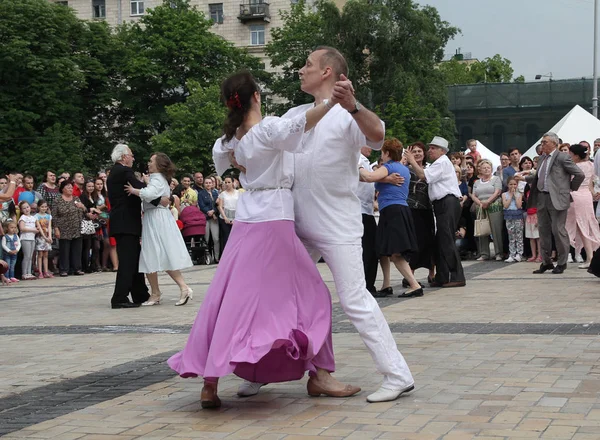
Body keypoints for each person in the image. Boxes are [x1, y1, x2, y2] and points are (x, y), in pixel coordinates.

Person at [169, 70, 358, 408]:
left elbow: (234, 162)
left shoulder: (230, 139)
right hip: (273, 219)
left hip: (246, 219)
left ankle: (210, 382)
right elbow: (300, 125)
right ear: (255, 95)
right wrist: (333, 100)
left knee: (229, 299)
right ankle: (321, 375)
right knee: (312, 295)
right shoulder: (267, 129)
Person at [281, 47, 414, 403]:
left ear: (326, 72)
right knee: (278, 296)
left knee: (355, 299)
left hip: (336, 224)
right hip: (295, 224)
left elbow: (377, 135)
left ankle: (397, 374)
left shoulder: (348, 115)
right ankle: (261, 370)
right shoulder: (295, 113)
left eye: (307, 65)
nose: (300, 70)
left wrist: (353, 104)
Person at [124, 153, 193, 306]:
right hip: (155, 217)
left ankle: (181, 287)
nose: (148, 163)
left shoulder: (157, 178)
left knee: (156, 253)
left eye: (151, 161)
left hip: (156, 219)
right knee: (151, 255)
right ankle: (156, 292)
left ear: (159, 164)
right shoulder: (158, 179)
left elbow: (150, 194)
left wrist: (134, 190)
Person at [359, 139, 422, 297]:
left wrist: (357, 165)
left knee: (395, 253)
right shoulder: (402, 168)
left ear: (387, 153)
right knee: (383, 249)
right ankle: (386, 284)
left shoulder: (389, 167)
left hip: (393, 211)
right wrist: (386, 179)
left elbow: (368, 177)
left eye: (382, 152)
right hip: (397, 210)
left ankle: (414, 284)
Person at [519, 132, 585, 274]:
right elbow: (539, 177)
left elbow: (579, 174)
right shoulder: (542, 158)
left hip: (557, 198)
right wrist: (525, 179)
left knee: (558, 230)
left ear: (554, 143)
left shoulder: (562, 157)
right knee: (543, 231)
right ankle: (546, 261)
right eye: (542, 142)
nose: (542, 144)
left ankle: (561, 262)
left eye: (545, 142)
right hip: (542, 197)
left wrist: (570, 188)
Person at [405, 136, 465, 287]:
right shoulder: (438, 163)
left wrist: (411, 160)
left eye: (433, 148)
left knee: (447, 240)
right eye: (430, 147)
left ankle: (456, 276)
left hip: (447, 202)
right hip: (442, 204)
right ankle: (443, 276)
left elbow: (423, 176)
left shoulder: (442, 162)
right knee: (441, 241)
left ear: (442, 151)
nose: (429, 150)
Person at [107, 144, 160, 309]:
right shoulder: (123, 171)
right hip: (126, 223)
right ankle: (119, 298)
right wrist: (158, 196)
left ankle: (140, 293)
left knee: (135, 260)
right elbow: (140, 188)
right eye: (131, 155)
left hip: (123, 222)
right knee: (128, 262)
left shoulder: (114, 173)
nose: (133, 158)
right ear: (123, 157)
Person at [565, 144, 600, 269]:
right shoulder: (591, 165)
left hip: (576, 195)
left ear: (575, 155)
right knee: (586, 226)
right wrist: (594, 192)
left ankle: (589, 257)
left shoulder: (574, 167)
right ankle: (589, 257)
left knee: (580, 226)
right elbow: (592, 182)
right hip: (587, 196)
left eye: (570, 154)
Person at [471, 159, 504, 261]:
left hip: (494, 206)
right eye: (484, 168)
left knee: (496, 229)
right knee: (482, 229)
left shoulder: (496, 179)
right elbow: (473, 195)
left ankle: (499, 253)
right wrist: (480, 203)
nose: (486, 169)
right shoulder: (476, 182)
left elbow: (497, 192)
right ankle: (484, 253)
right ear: (480, 170)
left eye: (488, 167)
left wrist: (488, 202)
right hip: (480, 206)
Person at [356, 146, 378, 295]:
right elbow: (365, 177)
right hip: (359, 211)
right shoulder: (356, 158)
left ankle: (369, 284)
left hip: (367, 209)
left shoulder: (365, 161)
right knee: (366, 250)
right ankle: (365, 285)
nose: (371, 148)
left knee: (371, 250)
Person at [53, 180, 86, 277]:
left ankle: (77, 268)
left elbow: (84, 210)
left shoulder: (76, 198)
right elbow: (54, 215)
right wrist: (56, 228)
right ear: (62, 189)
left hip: (76, 227)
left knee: (77, 249)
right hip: (63, 228)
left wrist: (82, 206)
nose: (70, 189)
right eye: (68, 187)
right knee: (65, 250)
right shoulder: (57, 200)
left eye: (71, 187)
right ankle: (64, 269)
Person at [198, 177, 220, 263]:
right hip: (206, 218)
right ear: (204, 184)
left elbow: (218, 204)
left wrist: (214, 211)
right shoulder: (201, 194)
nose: (208, 184)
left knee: (216, 238)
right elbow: (201, 205)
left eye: (210, 183)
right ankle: (207, 257)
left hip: (214, 218)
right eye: (206, 183)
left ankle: (217, 257)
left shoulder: (216, 193)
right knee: (206, 238)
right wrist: (208, 212)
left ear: (212, 184)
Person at [502, 177, 525, 262]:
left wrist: (515, 195)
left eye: (514, 184)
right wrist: (510, 195)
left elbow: (519, 206)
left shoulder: (519, 194)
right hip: (509, 215)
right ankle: (511, 254)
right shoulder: (504, 194)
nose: (513, 186)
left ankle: (519, 254)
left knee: (519, 236)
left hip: (517, 215)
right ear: (508, 185)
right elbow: (505, 205)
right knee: (511, 236)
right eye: (511, 184)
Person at [80, 180, 100, 273]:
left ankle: (93, 265)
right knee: (87, 246)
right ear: (85, 187)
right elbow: (82, 209)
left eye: (92, 186)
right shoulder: (82, 196)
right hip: (86, 222)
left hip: (94, 223)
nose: (91, 188)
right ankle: (85, 266)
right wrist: (89, 210)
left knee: (96, 246)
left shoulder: (94, 196)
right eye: (89, 186)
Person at [216, 176, 239, 252]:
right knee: (226, 237)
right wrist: (225, 217)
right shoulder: (223, 194)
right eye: (225, 182)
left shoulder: (238, 193)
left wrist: (236, 218)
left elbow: (241, 206)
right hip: (225, 216)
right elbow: (220, 206)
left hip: (236, 216)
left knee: (237, 237)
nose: (227, 184)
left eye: (229, 182)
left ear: (232, 183)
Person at [18, 201, 39, 280]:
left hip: (32, 238)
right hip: (25, 238)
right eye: (24, 208)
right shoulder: (23, 217)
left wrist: (37, 230)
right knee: (26, 256)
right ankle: (24, 273)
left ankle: (29, 272)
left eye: (27, 207)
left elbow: (37, 227)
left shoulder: (33, 218)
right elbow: (22, 228)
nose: (26, 209)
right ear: (21, 210)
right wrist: (33, 230)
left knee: (30, 256)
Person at [35, 200, 53, 278]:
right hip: (40, 237)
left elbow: (49, 227)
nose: (44, 208)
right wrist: (45, 237)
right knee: (40, 254)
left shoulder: (48, 216)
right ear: (38, 207)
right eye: (42, 206)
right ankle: (40, 272)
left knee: (46, 254)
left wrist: (50, 237)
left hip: (47, 237)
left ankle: (46, 271)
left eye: (45, 207)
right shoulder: (36, 216)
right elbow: (39, 227)